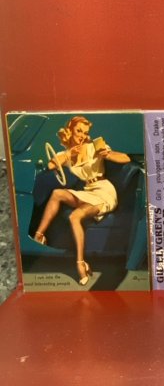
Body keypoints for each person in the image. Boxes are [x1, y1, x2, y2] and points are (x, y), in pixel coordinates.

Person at [34, 115, 131, 285]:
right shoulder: (65, 154)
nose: (82, 135)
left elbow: (126, 158)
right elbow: (50, 165)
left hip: (103, 191)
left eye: (85, 132)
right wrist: (69, 154)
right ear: (70, 131)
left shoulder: (94, 146)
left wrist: (108, 154)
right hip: (87, 191)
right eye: (78, 131)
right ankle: (39, 236)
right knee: (57, 193)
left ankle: (81, 262)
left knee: (75, 216)